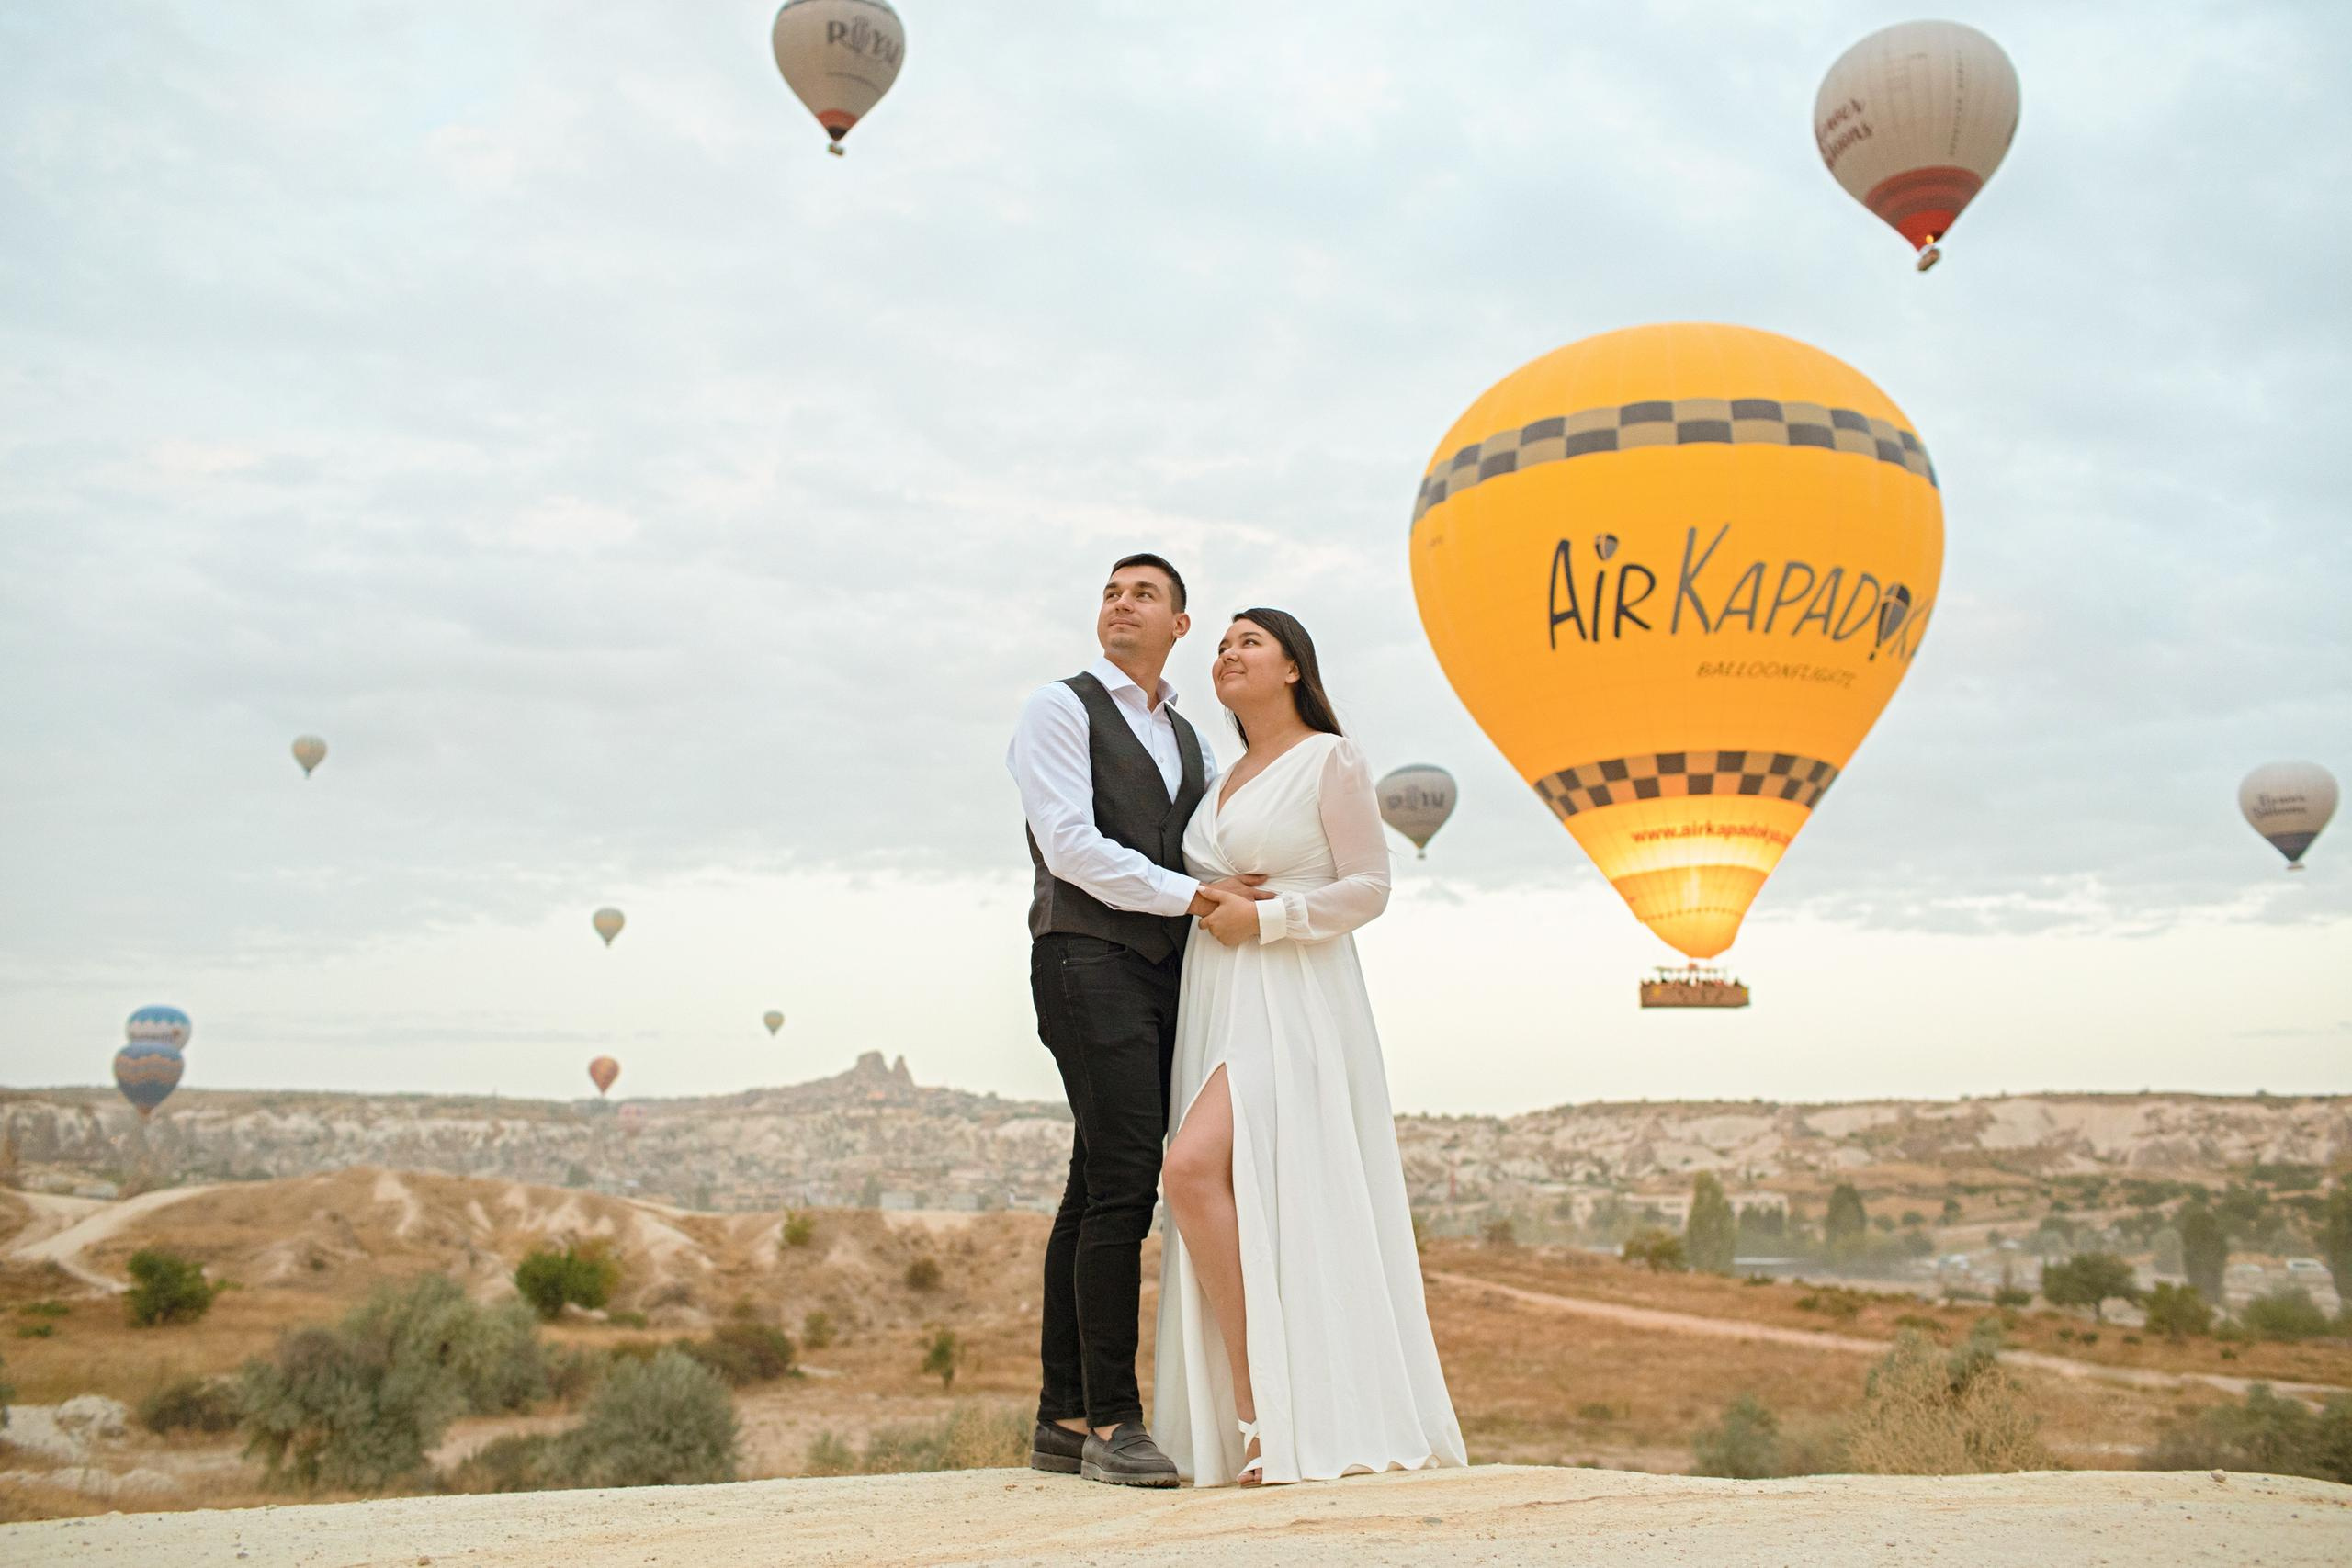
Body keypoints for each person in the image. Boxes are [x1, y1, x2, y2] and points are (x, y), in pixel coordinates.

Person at [1153, 608, 1467, 1486]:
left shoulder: (1332, 759)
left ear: (1295, 666)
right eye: (1219, 645)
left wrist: (1273, 916)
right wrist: (1205, 892)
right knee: (1232, 1186)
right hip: (1216, 991)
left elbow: (1371, 886)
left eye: (1248, 641)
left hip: (1292, 992)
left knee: (1189, 1168)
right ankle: (1258, 1411)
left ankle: (1266, 1413)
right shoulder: (1217, 779)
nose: (1227, 654)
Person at [1005, 554, 1266, 1487]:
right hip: (1084, 956)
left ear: (1178, 627)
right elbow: (1070, 847)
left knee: (1093, 1181)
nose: (1121, 603)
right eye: (1112, 591)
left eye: (1143, 593)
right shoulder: (1058, 708)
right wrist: (1195, 897)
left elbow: (1204, 839)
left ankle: (1062, 1418)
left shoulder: (1192, 741)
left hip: (1164, 972)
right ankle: (1115, 1422)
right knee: (1123, 1179)